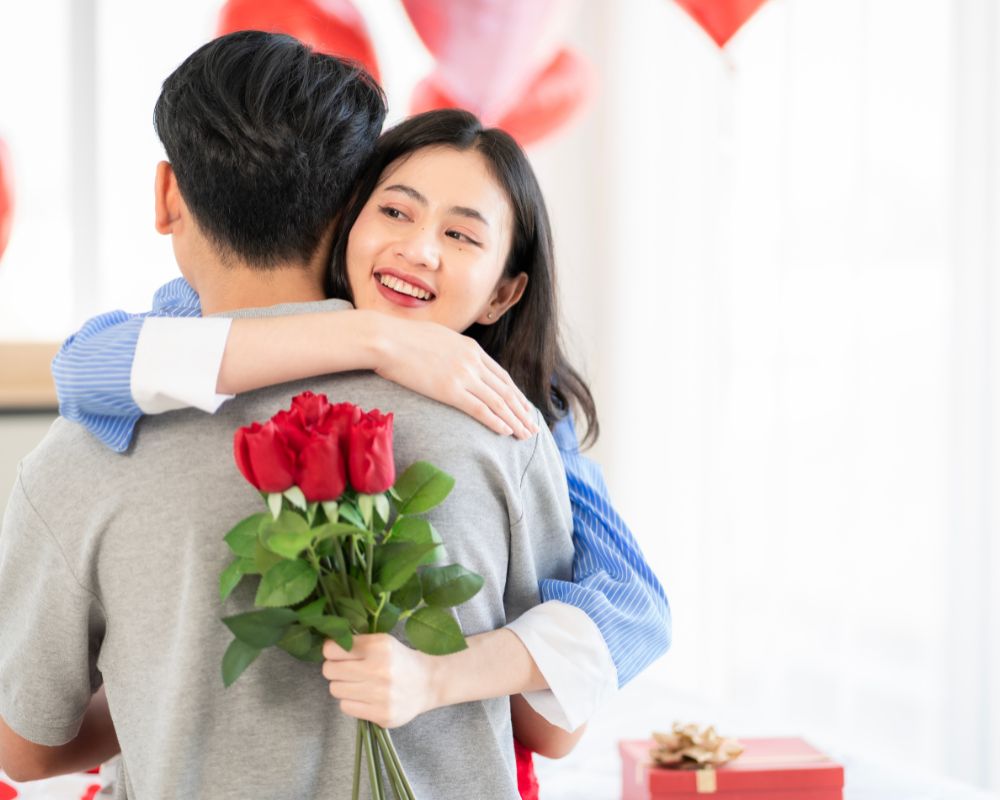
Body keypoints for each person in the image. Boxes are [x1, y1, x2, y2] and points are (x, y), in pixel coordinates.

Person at [0, 32, 581, 800]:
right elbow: (553, 725)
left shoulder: (86, 451)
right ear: (354, 205)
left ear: (168, 195)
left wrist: (167, 684)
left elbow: (27, 750)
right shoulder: (493, 417)